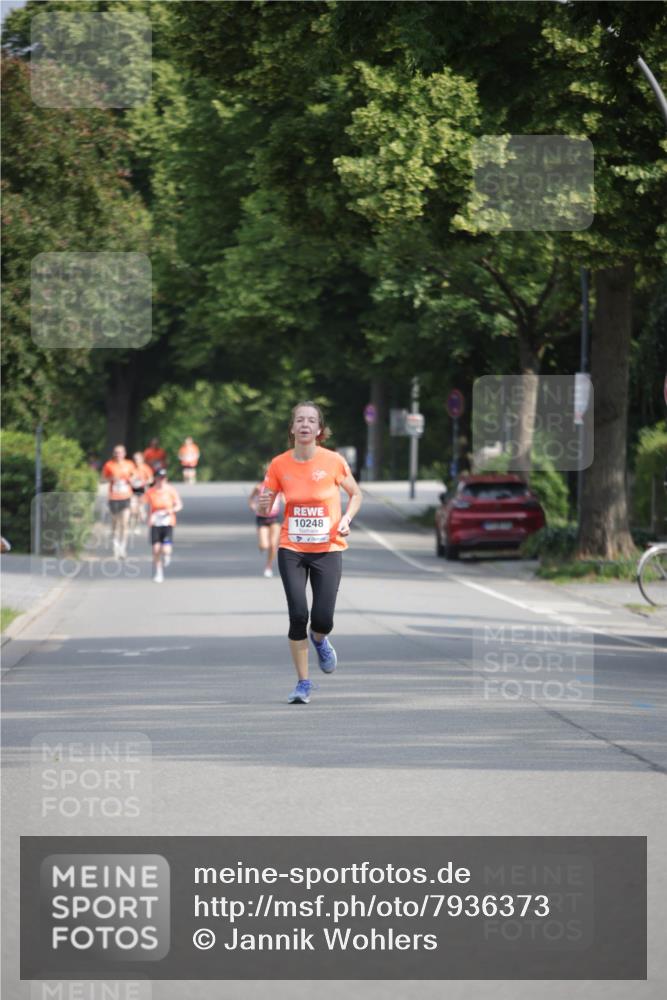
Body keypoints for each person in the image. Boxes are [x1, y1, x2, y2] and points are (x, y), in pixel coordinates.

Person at [258, 401, 362, 704]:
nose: (305, 424)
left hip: (328, 548)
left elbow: (355, 494)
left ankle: (320, 640)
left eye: (311, 420)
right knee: (298, 614)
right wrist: (264, 505)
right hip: (292, 547)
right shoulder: (279, 464)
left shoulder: (334, 462)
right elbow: (266, 502)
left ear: (319, 429)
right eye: (299, 420)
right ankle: (303, 683)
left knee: (322, 618)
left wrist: (346, 519)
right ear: (292, 428)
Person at [143, 468, 183, 583]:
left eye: (163, 478)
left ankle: (167, 556)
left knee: (165, 549)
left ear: (166, 479)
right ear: (155, 479)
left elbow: (179, 504)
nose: (161, 480)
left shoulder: (171, 490)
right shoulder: (151, 491)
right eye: (159, 478)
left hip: (167, 522)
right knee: (156, 549)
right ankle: (159, 573)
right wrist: (142, 512)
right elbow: (143, 502)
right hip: (155, 522)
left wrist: (172, 510)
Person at [101, 445, 137, 559]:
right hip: (114, 497)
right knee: (115, 524)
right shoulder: (109, 465)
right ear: (113, 454)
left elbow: (135, 477)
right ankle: (115, 547)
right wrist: (111, 479)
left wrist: (130, 479)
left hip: (126, 496)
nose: (118, 454)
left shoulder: (129, 464)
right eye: (116, 452)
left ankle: (123, 548)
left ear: (124, 453)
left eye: (120, 452)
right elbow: (102, 479)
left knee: (125, 523)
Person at [248, 470, 283, 578]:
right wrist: (253, 506)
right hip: (262, 517)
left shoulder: (279, 487)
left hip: (275, 518)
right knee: (264, 545)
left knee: (273, 545)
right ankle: (263, 545)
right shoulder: (259, 487)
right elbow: (251, 499)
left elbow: (286, 498)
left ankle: (268, 566)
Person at [130, 451, 154, 534]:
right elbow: (128, 478)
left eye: (138, 459)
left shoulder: (146, 468)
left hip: (142, 490)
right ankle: (132, 526)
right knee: (133, 509)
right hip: (132, 490)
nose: (136, 460)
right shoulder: (131, 468)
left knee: (139, 509)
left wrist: (144, 482)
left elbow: (151, 479)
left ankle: (137, 526)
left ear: (142, 459)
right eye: (135, 459)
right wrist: (132, 480)